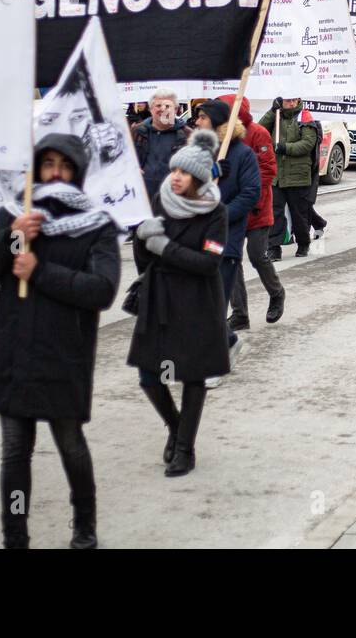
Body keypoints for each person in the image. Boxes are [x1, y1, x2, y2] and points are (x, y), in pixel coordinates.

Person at [0, 134, 120, 549]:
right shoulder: (14, 216)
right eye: (47, 164)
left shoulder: (97, 227)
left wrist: (39, 271)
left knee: (70, 444)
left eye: (64, 166)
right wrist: (10, 236)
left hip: (64, 355)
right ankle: (15, 535)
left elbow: (102, 291)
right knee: (15, 452)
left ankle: (84, 527)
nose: (54, 173)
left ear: (77, 173)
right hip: (12, 353)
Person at [128, 129, 229, 478]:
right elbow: (145, 258)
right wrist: (143, 239)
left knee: (192, 377)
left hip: (198, 304)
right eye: (174, 170)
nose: (175, 177)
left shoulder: (216, 213)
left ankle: (185, 448)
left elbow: (209, 263)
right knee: (149, 376)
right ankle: (175, 427)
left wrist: (164, 248)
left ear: (198, 178)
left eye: (182, 172)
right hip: (159, 300)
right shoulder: (162, 201)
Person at [192, 100, 260, 382]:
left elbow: (250, 193)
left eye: (203, 117)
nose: (197, 122)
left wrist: (219, 215)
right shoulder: (198, 154)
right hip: (196, 239)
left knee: (215, 302)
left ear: (219, 123)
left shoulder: (243, 155)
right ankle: (229, 341)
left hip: (226, 239)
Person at [220, 96, 285, 329]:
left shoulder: (258, 133)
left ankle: (276, 292)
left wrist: (249, 195)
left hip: (256, 208)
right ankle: (240, 314)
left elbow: (268, 171)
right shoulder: (220, 138)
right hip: (232, 211)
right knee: (231, 260)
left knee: (257, 255)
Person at [258, 97, 318, 260]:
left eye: (294, 100)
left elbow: (307, 143)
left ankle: (303, 243)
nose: (291, 104)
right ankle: (273, 247)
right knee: (274, 213)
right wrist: (272, 111)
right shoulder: (275, 115)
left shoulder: (304, 116)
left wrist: (285, 148)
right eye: (287, 100)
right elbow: (259, 129)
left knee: (299, 213)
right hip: (276, 174)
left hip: (297, 174)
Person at [132, 88, 192, 202]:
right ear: (150, 109)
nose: (162, 109)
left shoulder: (188, 135)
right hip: (141, 200)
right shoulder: (136, 132)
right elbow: (122, 160)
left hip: (174, 200)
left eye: (167, 106)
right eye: (158, 105)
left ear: (176, 109)